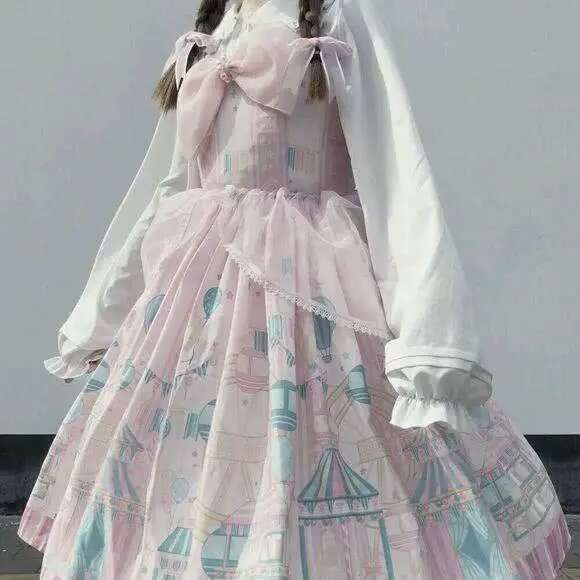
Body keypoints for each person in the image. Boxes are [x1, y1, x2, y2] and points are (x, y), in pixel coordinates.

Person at [18, 0, 570, 577]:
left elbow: (393, 165)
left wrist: (431, 331)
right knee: (190, 475)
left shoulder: (335, 13)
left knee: (335, 451)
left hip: (314, 287)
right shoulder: (214, 29)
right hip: (200, 301)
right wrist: (103, 314)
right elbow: (167, 183)